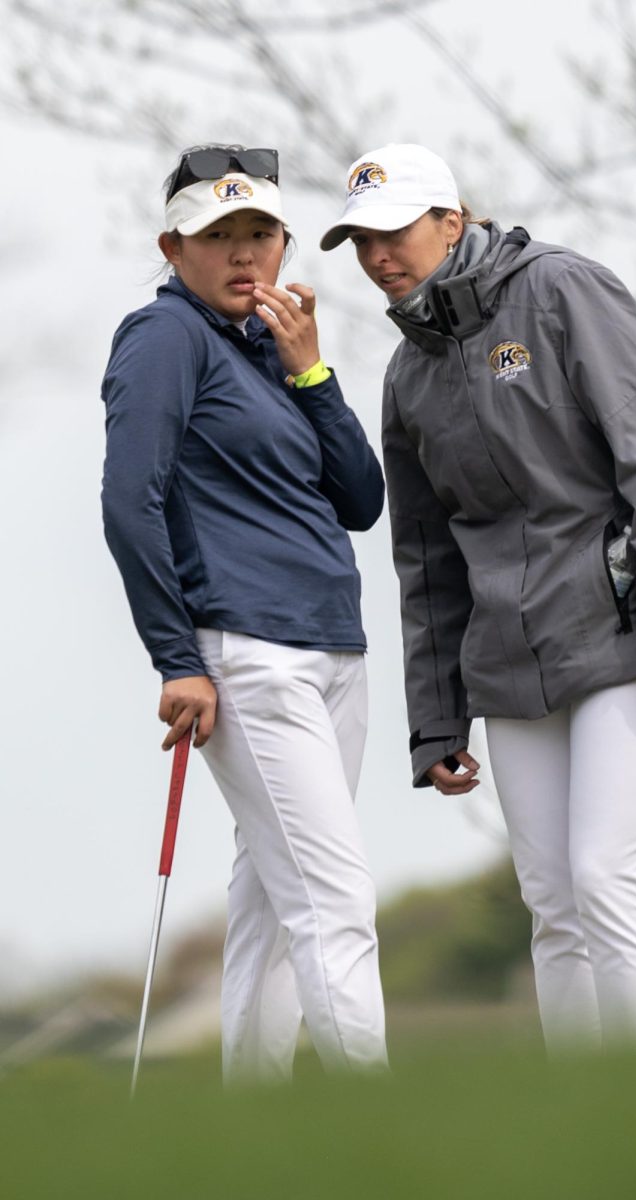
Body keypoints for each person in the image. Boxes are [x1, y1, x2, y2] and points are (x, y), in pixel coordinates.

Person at [321, 143, 636, 1051]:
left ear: (451, 223)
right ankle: (584, 1126)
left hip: (626, 637)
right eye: (359, 241)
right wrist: (436, 720)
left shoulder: (561, 291)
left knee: (606, 873)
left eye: (395, 232)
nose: (378, 255)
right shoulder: (406, 377)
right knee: (550, 900)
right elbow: (427, 561)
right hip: (508, 664)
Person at [101, 144, 388, 1081]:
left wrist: (313, 372)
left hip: (333, 650)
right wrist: (174, 657)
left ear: (285, 243)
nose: (240, 254)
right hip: (248, 654)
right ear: (171, 247)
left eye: (258, 233)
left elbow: (359, 498)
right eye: (215, 236)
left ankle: (250, 1128)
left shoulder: (274, 347)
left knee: (276, 899)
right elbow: (129, 500)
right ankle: (386, 1129)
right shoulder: (164, 338)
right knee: (335, 900)